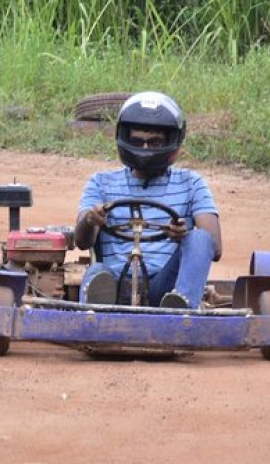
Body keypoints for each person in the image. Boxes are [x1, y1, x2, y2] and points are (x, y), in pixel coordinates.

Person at [73, 91, 222, 309]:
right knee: (96, 272)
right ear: (124, 138)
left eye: (154, 143)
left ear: (172, 142)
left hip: (165, 287)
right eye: (137, 142)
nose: (145, 149)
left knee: (200, 238)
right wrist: (90, 220)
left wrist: (183, 236)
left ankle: (180, 309)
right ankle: (96, 313)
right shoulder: (101, 183)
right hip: (114, 282)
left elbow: (214, 247)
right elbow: (82, 241)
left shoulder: (191, 184)